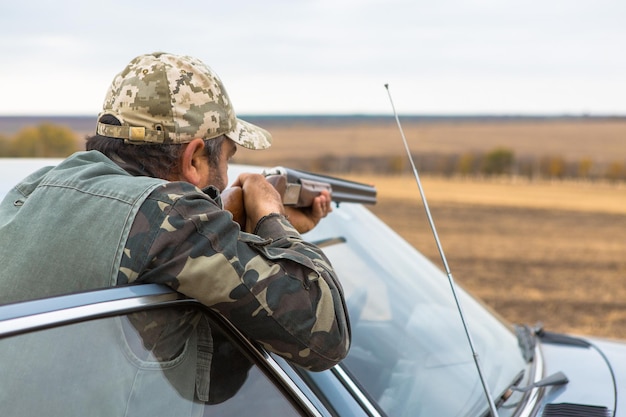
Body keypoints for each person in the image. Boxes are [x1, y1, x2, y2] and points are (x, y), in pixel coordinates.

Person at [0, 52, 350, 407]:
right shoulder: (170, 213)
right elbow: (327, 338)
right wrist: (274, 221)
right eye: (227, 157)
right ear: (194, 159)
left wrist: (241, 234)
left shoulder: (31, 191)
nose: (226, 174)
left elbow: (211, 379)